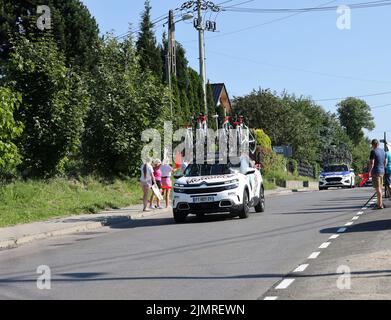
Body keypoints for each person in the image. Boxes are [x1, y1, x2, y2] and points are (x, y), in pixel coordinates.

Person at [368, 139, 387, 209]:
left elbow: (372, 163)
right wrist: (383, 168)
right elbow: (385, 162)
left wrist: (369, 171)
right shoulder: (383, 151)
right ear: (378, 144)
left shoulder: (373, 151)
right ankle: (380, 203)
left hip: (376, 171)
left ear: (373, 145)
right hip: (382, 171)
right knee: (380, 188)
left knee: (378, 188)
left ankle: (379, 205)